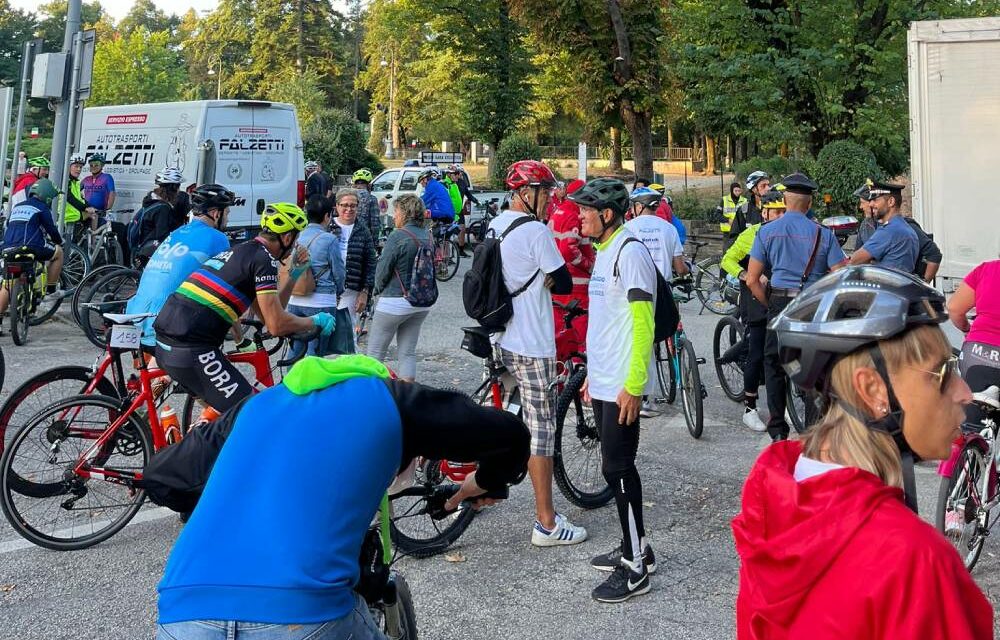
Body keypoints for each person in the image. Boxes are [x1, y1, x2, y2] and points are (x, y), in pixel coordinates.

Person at [156, 355, 531, 640]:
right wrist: (482, 483)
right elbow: (510, 436)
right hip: (299, 611)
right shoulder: (386, 398)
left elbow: (162, 476)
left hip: (182, 611)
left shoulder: (257, 406)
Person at [734, 265, 993, 639]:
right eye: (943, 372)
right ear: (872, 390)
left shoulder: (772, 506)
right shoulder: (912, 560)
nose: (964, 392)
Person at [152, 203, 334, 414]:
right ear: (286, 237)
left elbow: (270, 315)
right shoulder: (264, 260)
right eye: (295, 239)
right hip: (191, 347)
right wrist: (314, 321)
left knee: (221, 417)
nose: (294, 246)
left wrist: (293, 275)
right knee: (252, 412)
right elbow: (276, 325)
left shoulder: (243, 251)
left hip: (169, 341)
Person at [569, 178, 657, 603]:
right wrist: (593, 373)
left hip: (625, 384)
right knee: (615, 467)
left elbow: (643, 324)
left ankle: (636, 568)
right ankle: (636, 547)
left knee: (617, 469)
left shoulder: (630, 251)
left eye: (585, 210)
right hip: (605, 379)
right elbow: (608, 321)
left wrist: (634, 385)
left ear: (606, 215)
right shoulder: (605, 251)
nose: (578, 216)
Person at [488, 159, 580, 547]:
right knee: (542, 433)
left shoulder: (496, 224)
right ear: (526, 193)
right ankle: (546, 523)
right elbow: (560, 282)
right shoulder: (534, 232)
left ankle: (485, 485)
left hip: (501, 337)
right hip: (532, 344)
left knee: (509, 422)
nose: (550, 200)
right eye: (545, 193)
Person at [746, 173, 848, 441]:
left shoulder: (767, 232)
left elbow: (752, 279)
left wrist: (770, 304)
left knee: (774, 364)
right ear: (810, 201)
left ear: (785, 200)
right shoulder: (823, 234)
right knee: (811, 366)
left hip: (779, 301)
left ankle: (778, 430)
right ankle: (813, 431)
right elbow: (840, 274)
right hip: (812, 304)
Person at [126, 184, 235, 353]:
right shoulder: (217, 238)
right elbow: (225, 290)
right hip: (166, 325)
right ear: (216, 213)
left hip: (137, 316)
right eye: (227, 213)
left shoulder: (177, 232)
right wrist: (241, 339)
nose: (227, 219)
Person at [720, 188, 786, 432]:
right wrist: (745, 273)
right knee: (757, 353)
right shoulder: (751, 233)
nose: (780, 216)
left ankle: (781, 405)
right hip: (755, 296)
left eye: (784, 211)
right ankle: (750, 408)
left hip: (779, 299)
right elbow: (727, 259)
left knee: (781, 354)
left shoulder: (787, 233)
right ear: (765, 212)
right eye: (776, 212)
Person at [624, 186, 688, 418]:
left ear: (638, 206)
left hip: (638, 291)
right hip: (665, 292)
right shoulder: (669, 229)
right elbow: (679, 267)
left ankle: (647, 399)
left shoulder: (627, 228)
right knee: (670, 329)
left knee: (644, 342)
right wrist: (685, 271)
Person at [367, 194, 434, 381]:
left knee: (375, 354)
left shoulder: (398, 236)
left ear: (405, 212)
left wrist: (375, 291)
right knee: (407, 353)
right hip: (421, 303)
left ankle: (374, 400)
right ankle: (408, 397)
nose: (394, 215)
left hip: (394, 301)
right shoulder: (428, 236)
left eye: (396, 211)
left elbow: (383, 270)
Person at [287, 195, 346, 358]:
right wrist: (339, 292)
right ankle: (313, 383)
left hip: (294, 299)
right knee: (315, 353)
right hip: (321, 301)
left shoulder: (295, 237)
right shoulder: (329, 239)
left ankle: (290, 380)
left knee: (295, 350)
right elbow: (339, 272)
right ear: (327, 216)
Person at [948, 257, 1000, 429]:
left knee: (969, 428)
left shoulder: (987, 269)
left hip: (977, 352)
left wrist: (966, 329)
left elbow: (955, 308)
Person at [0, 179, 64, 317]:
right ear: (46, 196)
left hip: (7, 248)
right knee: (59, 253)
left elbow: (9, 226)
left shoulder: (17, 207)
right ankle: (51, 290)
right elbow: (51, 230)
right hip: (31, 246)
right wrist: (59, 241)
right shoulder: (42, 207)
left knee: (7, 285)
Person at [330, 188, 377, 337]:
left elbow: (370, 262)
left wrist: (365, 292)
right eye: (344, 205)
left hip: (351, 289)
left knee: (347, 335)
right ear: (337, 206)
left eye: (353, 205)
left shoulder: (362, 229)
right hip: (326, 289)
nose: (348, 209)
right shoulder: (328, 227)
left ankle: (349, 360)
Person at [548, 179, 592, 339]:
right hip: (576, 286)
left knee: (561, 335)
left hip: (559, 282)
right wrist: (589, 266)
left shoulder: (558, 211)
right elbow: (568, 250)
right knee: (578, 336)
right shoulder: (574, 215)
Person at [850, 180, 919, 273]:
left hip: (888, 285)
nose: (871, 204)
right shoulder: (904, 227)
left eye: (875, 200)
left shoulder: (890, 230)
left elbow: (854, 261)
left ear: (891, 202)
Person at [133, 168, 185, 254]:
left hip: (142, 246)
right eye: (178, 186)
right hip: (150, 252)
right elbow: (163, 236)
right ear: (172, 187)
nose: (179, 191)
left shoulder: (151, 201)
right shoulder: (162, 209)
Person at [728, 171, 769, 243]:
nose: (768, 188)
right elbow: (734, 238)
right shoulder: (744, 210)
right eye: (763, 186)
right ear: (754, 189)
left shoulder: (775, 209)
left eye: (768, 185)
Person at [453, 163, 480, 256]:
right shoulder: (449, 183)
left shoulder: (462, 183)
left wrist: (476, 201)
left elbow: (468, 194)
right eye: (458, 173)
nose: (460, 175)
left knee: (463, 229)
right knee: (450, 231)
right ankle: (450, 252)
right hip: (451, 210)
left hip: (459, 210)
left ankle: (461, 250)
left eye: (460, 173)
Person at [63, 154, 90, 240]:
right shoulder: (64, 181)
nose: (79, 169)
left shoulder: (75, 182)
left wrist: (89, 206)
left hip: (73, 215)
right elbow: (70, 198)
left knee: (92, 216)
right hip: (65, 218)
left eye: (81, 167)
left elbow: (79, 198)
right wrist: (85, 208)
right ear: (68, 166)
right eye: (76, 166)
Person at [352, 168, 382, 243]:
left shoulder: (346, 197)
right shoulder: (371, 199)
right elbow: (375, 223)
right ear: (369, 185)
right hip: (364, 239)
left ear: (354, 184)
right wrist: (374, 241)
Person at [853, 180, 876, 247]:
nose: (860, 207)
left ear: (872, 203)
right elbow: (858, 250)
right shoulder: (865, 224)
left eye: (862, 202)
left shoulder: (887, 225)